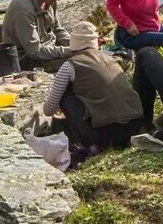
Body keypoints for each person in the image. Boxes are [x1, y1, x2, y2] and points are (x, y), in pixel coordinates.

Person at [40, 21, 146, 164]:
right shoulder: (112, 59)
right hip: (137, 126)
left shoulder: (70, 65)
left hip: (110, 135)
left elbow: (49, 109)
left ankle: (91, 145)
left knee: (66, 96)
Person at [3, 0, 73, 72]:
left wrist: (76, 43)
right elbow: (35, 51)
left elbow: (57, 30)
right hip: (27, 61)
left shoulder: (49, 1)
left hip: (47, 51)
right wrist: (70, 51)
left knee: (84, 57)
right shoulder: (23, 9)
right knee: (77, 64)